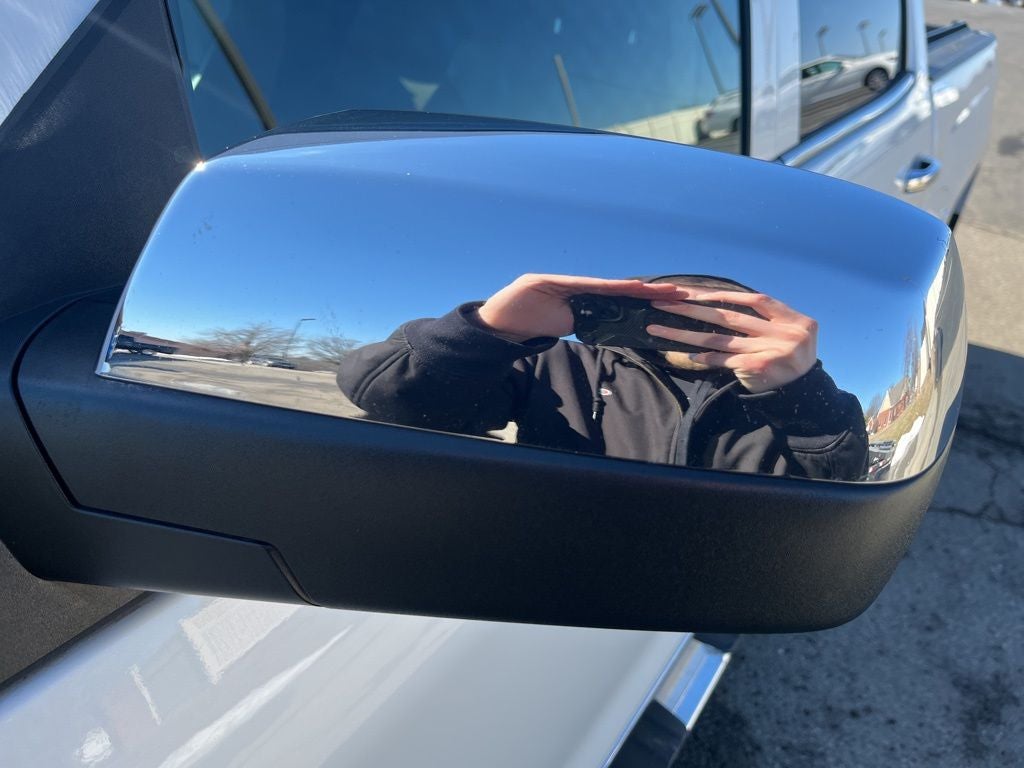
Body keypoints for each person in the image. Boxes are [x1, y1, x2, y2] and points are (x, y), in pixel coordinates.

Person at [337, 274, 868, 480]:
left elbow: (836, 487)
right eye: (668, 307)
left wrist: (802, 391)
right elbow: (390, 399)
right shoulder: (561, 363)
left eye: (716, 312)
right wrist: (487, 330)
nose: (690, 326)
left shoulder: (780, 394)